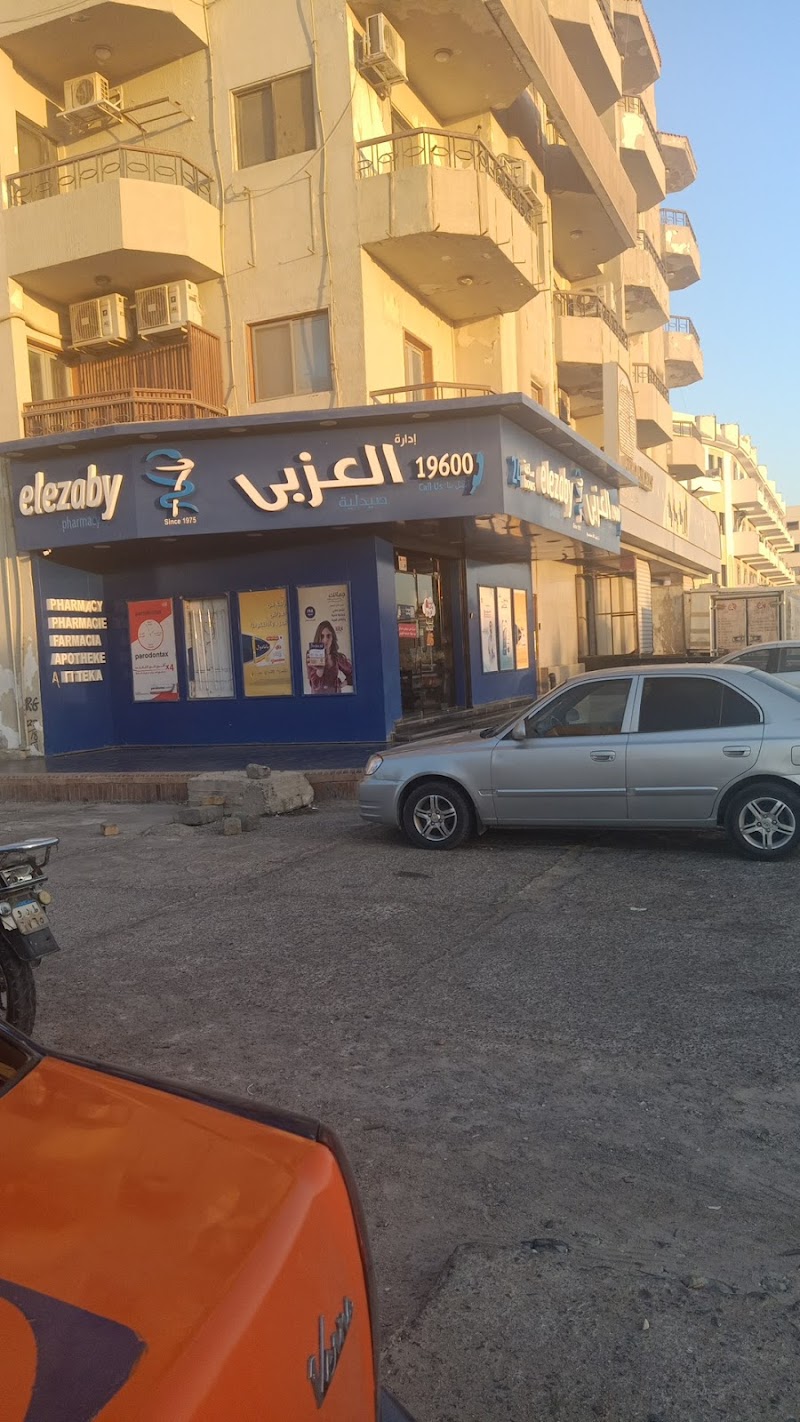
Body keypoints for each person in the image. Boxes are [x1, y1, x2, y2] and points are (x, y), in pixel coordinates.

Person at [306, 620, 353, 694]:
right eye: (322, 636)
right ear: (318, 637)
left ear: (332, 637)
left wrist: (343, 683)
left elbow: (354, 673)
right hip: (318, 698)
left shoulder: (337, 657)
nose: (325, 640)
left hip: (336, 697)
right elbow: (314, 684)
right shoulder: (312, 655)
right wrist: (320, 669)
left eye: (328, 636)